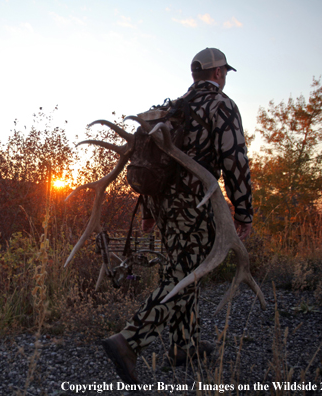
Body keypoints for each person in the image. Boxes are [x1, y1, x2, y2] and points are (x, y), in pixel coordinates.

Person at [101, 48, 254, 384]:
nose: (224, 77)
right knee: (186, 271)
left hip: (163, 205)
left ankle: (184, 346)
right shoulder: (221, 105)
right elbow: (235, 161)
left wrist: (149, 211)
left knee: (182, 268)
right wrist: (243, 210)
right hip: (195, 206)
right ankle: (128, 341)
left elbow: (153, 159)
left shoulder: (172, 110)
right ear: (217, 74)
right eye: (224, 72)